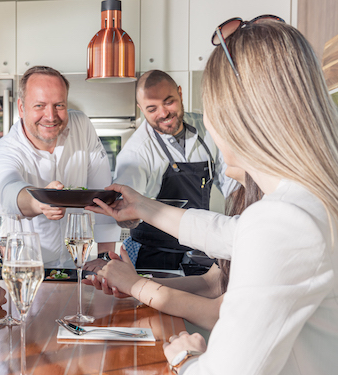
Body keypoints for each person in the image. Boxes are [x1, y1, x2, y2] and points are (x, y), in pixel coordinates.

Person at [87, 18, 338, 374]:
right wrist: (141, 204)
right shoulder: (307, 202)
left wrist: (187, 358)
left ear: (236, 119)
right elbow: (228, 233)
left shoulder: (284, 222)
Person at [87, 168, 262, 331]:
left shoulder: (270, 216)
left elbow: (217, 314)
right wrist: (132, 284)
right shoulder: (252, 203)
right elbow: (213, 284)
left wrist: (137, 286)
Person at [0, 65, 120, 269]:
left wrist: (106, 257)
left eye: (59, 105)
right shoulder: (4, 150)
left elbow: (104, 196)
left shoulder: (81, 126)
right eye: (39, 105)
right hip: (24, 268)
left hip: (75, 264)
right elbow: (8, 191)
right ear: (21, 107)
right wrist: (41, 201)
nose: (50, 116)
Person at [110, 70, 237, 270]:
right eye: (152, 109)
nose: (163, 113)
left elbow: (234, 186)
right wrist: (128, 217)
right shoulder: (136, 152)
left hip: (198, 250)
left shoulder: (208, 129)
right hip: (152, 255)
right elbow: (125, 216)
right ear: (141, 108)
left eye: (169, 102)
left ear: (180, 93)